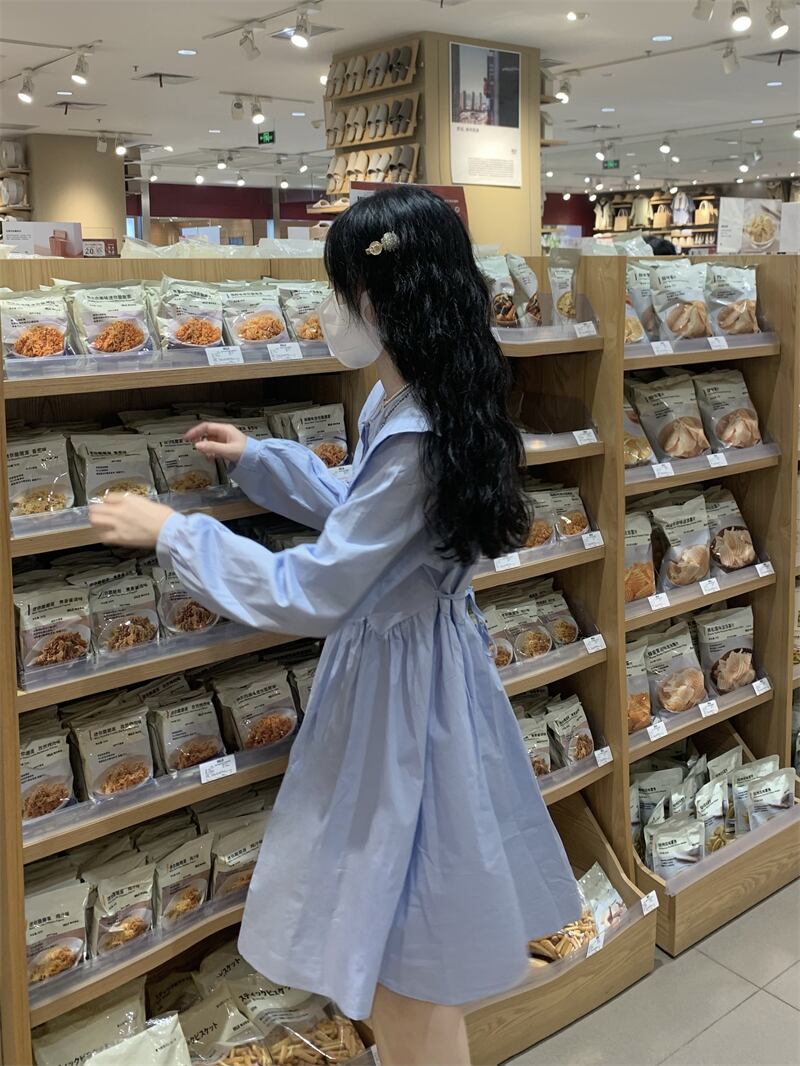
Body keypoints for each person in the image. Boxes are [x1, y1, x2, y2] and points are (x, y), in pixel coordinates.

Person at [89, 186, 582, 1066]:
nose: (329, 310)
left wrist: (176, 533)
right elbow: (364, 514)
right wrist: (262, 460)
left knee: (402, 951)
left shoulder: (415, 430)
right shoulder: (412, 403)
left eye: (338, 288)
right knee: (407, 940)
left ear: (382, 298)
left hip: (404, 697)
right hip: (420, 670)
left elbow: (318, 588)